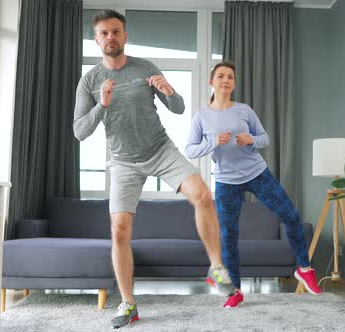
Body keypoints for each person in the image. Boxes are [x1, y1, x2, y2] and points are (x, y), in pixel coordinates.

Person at [73, 10, 233, 328]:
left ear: (125, 35)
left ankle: (216, 267)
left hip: (160, 149)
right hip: (122, 161)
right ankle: (129, 304)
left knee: (203, 195)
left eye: (115, 31)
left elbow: (179, 108)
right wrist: (102, 104)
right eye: (104, 33)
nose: (110, 37)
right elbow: (79, 131)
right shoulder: (89, 80)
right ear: (97, 39)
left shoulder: (145, 67)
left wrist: (168, 90)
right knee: (119, 230)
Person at [185, 61, 322, 309]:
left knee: (291, 216)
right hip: (226, 182)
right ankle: (235, 291)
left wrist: (251, 140)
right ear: (211, 82)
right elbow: (190, 150)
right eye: (221, 76)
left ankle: (304, 268)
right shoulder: (201, 116)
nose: (226, 80)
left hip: (258, 174)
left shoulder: (244, 110)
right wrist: (213, 142)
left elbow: (264, 138)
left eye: (230, 77)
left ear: (234, 84)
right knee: (229, 237)